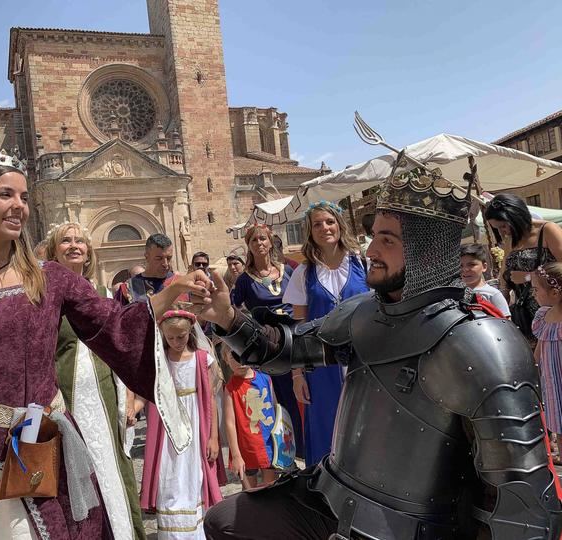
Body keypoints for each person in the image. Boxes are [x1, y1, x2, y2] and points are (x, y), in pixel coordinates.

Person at [197, 161, 562, 539]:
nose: (371, 249)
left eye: (387, 239)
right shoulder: (363, 313)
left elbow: (523, 503)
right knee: (226, 522)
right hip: (333, 494)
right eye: (374, 236)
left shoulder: (481, 342)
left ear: (428, 251)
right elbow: (286, 349)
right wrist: (227, 318)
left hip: (410, 526)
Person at [0, 150, 210, 539]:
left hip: (42, 444)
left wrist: (174, 290)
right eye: (6, 194)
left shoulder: (49, 279)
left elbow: (116, 325)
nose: (20, 205)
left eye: (23, 196)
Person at [46, 222, 146, 540]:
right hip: (65, 398)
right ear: (53, 251)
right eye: (66, 241)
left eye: (80, 241)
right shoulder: (43, 298)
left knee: (112, 466)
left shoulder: (103, 294)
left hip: (105, 395)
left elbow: (120, 346)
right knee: (73, 472)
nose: (74, 245)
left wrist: (130, 396)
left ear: (89, 251)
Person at [283, 200, 368, 465]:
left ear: (340, 225)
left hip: (364, 358)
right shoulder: (304, 273)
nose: (324, 228)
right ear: (309, 231)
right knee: (325, 427)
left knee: (366, 425)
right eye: (317, 224)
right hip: (321, 365)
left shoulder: (363, 263)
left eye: (329, 222)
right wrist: (297, 374)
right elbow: (297, 328)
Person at [137, 310, 223, 539]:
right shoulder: (159, 359)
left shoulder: (202, 359)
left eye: (181, 336)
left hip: (196, 427)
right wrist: (133, 410)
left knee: (194, 474)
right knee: (169, 473)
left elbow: (211, 401)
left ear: (190, 331)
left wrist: (213, 437)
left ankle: (197, 533)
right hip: (168, 426)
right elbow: (147, 391)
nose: (176, 342)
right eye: (171, 338)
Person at [231, 224, 303, 458]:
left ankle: (309, 445)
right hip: (270, 344)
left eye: (263, 239)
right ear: (249, 247)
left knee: (305, 390)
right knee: (281, 397)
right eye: (254, 241)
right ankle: (285, 453)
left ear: (270, 242)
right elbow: (233, 311)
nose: (259, 243)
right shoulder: (244, 280)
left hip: (296, 337)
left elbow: (302, 298)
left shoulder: (288, 270)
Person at [485, 193, 562, 338]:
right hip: (524, 315)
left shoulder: (547, 230)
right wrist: (503, 293)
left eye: (503, 226)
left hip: (553, 310)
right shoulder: (511, 240)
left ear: (516, 216)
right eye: (497, 228)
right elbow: (504, 272)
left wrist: (529, 277)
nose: (502, 232)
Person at [220, 344, 278, 489]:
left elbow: (277, 411)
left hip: (269, 444)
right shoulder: (230, 389)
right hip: (246, 449)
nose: (240, 360)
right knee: (249, 493)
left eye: (243, 354)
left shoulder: (266, 379)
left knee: (272, 488)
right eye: (234, 356)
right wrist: (236, 455)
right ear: (226, 359)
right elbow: (230, 424)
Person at [532, 263, 562, 464]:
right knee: (559, 431)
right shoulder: (543, 315)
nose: (533, 294)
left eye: (536, 289)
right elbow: (540, 349)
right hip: (553, 386)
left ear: (554, 292)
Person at [115, 234, 175, 305]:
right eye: (159, 258)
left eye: (168, 258)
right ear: (147, 256)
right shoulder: (128, 289)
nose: (165, 263)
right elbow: (117, 315)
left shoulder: (181, 283)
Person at [460, 243, 511, 317]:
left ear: (484, 267)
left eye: (471, 264)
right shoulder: (456, 294)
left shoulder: (493, 294)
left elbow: (506, 323)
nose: (465, 269)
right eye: (461, 265)